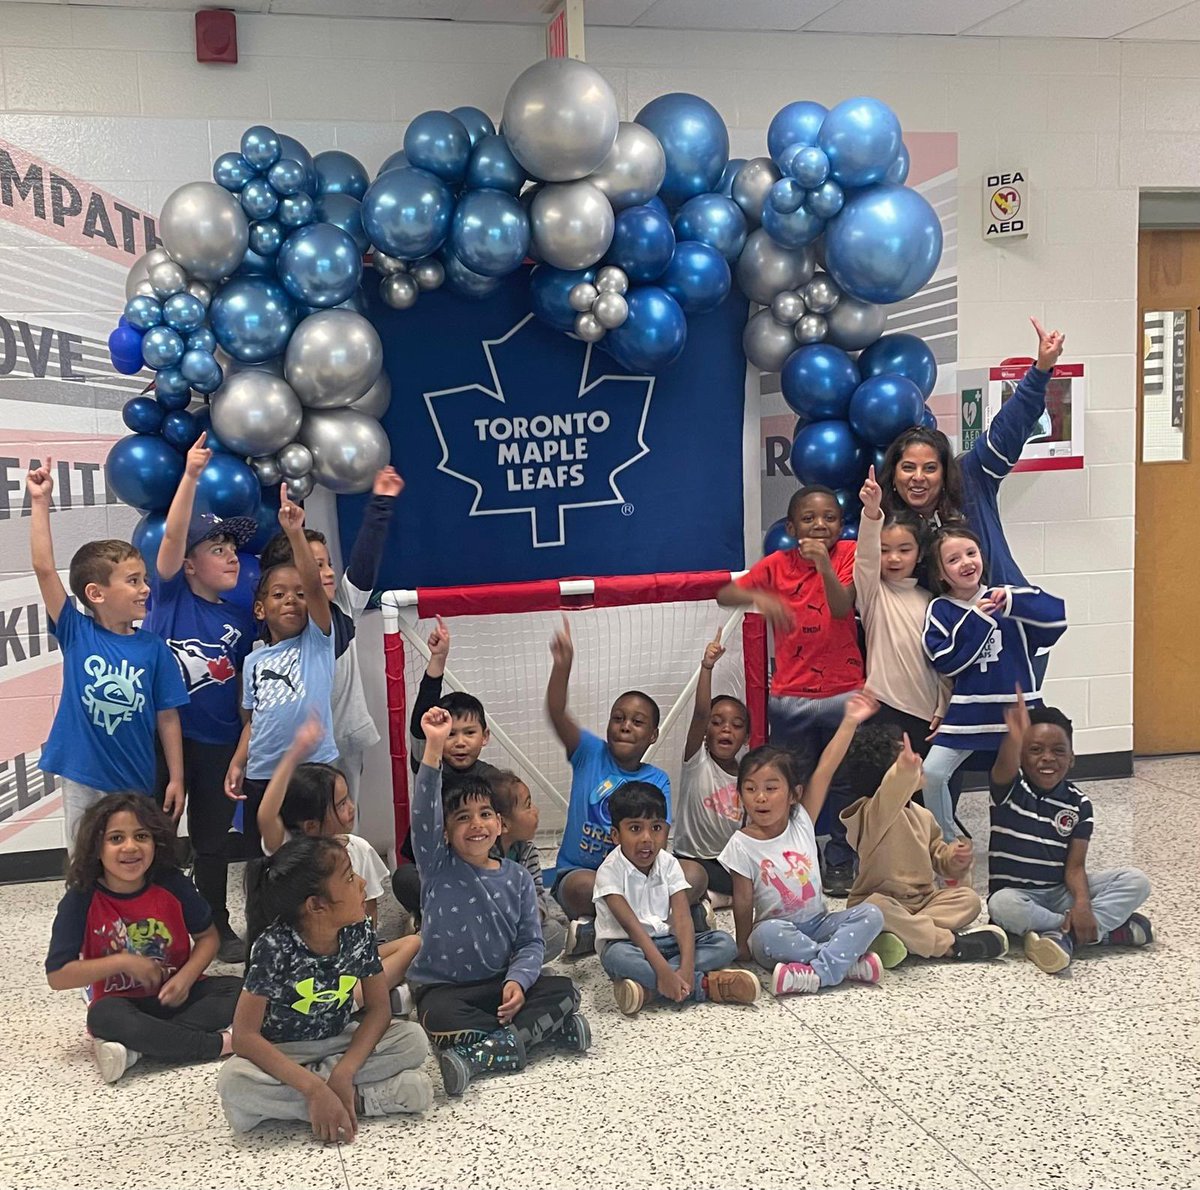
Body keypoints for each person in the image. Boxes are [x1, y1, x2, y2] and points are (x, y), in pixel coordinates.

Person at [407, 708, 589, 1098]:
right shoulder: (436, 866)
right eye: (463, 817)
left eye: (485, 814)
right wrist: (434, 747)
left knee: (565, 990)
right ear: (444, 831)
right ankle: (540, 1033)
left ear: (501, 824)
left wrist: (518, 982)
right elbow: (423, 811)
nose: (476, 824)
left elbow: (530, 944)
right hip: (445, 990)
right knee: (436, 1021)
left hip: (501, 986)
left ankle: (485, 1053)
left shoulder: (518, 878)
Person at [217, 835, 431, 1137]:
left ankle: (300, 1102)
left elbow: (379, 1011)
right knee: (234, 1081)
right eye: (349, 877)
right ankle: (363, 1100)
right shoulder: (274, 947)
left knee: (413, 1039)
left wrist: (344, 1071)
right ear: (316, 905)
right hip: (287, 1052)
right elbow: (245, 1038)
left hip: (339, 1040)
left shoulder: (359, 932)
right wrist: (314, 1088)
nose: (361, 883)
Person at [27, 458, 188, 852]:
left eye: (145, 580)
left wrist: (177, 778)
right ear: (96, 594)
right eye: (133, 581)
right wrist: (39, 503)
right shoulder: (76, 631)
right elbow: (45, 570)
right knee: (85, 861)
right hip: (83, 776)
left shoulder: (153, 649)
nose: (145, 589)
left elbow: (167, 716)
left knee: (132, 860)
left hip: (136, 778)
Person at [716, 485, 863, 896]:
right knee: (792, 782)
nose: (820, 525)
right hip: (791, 696)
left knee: (844, 782)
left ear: (841, 523)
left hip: (843, 691)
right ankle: (795, 857)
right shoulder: (777, 564)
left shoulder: (849, 554)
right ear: (791, 525)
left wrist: (824, 567)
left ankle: (839, 858)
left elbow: (840, 607)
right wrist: (760, 597)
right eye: (809, 518)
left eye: (830, 517)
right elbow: (724, 594)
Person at [144, 433, 257, 962]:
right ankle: (157, 921)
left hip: (217, 743)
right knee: (156, 833)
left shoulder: (239, 616)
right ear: (190, 565)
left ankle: (214, 920)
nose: (230, 556)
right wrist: (189, 476)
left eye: (233, 548)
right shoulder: (168, 597)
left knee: (212, 841)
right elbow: (169, 543)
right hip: (164, 739)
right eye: (217, 549)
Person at [45, 794, 241, 1083]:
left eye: (141, 836)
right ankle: (220, 1044)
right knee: (103, 1017)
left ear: (155, 842)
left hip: (175, 996)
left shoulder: (172, 883)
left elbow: (208, 937)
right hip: (121, 1003)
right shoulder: (81, 897)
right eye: (115, 838)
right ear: (96, 847)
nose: (130, 847)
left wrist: (186, 978)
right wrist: (123, 962)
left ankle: (139, 1049)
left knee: (241, 990)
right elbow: (58, 976)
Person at [545, 616, 709, 958]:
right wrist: (562, 667)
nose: (625, 727)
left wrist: (659, 879)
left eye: (637, 722)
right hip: (585, 872)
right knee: (578, 889)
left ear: (652, 736)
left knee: (695, 875)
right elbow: (558, 712)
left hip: (643, 877)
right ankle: (671, 922)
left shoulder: (657, 779)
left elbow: (659, 840)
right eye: (618, 718)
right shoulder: (589, 753)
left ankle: (604, 930)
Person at [879, 318, 1066, 593]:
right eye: (908, 467)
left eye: (930, 468)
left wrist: (1040, 370)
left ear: (945, 472)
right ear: (894, 474)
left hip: (1007, 621)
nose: (918, 478)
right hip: (949, 632)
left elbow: (1008, 427)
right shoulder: (890, 524)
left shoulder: (971, 479)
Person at [719, 693, 885, 997]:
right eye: (751, 789)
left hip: (820, 922)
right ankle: (843, 963)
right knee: (767, 936)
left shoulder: (802, 820)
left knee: (872, 914)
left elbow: (825, 769)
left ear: (794, 794)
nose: (760, 797)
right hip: (777, 930)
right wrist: (743, 945)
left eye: (771, 788)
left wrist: (849, 721)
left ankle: (819, 972)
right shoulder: (741, 844)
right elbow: (742, 902)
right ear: (740, 795)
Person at [257, 466, 403, 804]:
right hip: (300, 748)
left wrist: (380, 501)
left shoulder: (344, 606)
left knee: (346, 822)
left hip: (345, 741)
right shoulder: (277, 636)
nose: (325, 573)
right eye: (314, 565)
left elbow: (366, 558)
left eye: (326, 564)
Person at [258, 717, 420, 1010]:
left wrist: (362, 953)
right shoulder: (291, 853)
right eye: (341, 804)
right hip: (303, 962)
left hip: (349, 954)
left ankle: (359, 1000)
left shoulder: (359, 848)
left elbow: (369, 912)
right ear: (310, 825)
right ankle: (362, 1001)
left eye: (348, 800)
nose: (351, 808)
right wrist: (294, 753)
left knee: (413, 944)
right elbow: (266, 816)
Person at [986, 690, 1152, 974]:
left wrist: (1083, 904)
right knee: (1002, 905)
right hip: (1019, 896)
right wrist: (1013, 737)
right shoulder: (1010, 790)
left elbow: (1075, 867)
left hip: (1059, 891)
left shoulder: (1080, 804)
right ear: (1021, 758)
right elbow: (1004, 765)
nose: (1047, 758)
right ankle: (1094, 932)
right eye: (1035, 750)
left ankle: (1064, 934)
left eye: (1058, 751)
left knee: (1136, 881)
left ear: (1072, 758)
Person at [922, 528, 1067, 842]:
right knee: (932, 773)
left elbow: (1057, 621)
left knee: (1026, 776)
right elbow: (946, 660)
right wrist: (976, 619)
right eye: (953, 559)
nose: (965, 563)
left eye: (971, 553)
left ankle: (1029, 842)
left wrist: (1014, 599)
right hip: (966, 717)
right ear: (941, 572)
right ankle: (946, 846)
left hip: (1018, 711)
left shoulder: (1008, 598)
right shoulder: (940, 609)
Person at [224, 483, 338, 858]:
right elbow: (253, 721)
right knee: (270, 857)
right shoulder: (253, 661)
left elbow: (315, 588)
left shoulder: (317, 642)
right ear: (260, 610)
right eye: (278, 594)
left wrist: (294, 533)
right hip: (262, 772)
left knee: (318, 858)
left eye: (299, 594)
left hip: (313, 770)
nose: (291, 599)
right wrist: (238, 762)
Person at [840, 728, 1008, 968]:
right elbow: (889, 793)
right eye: (905, 761)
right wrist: (902, 772)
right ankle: (948, 945)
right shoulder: (871, 815)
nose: (917, 760)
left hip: (923, 902)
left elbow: (939, 856)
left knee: (969, 900)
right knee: (875, 908)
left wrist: (954, 859)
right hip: (880, 902)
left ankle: (903, 935)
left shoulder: (923, 815)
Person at [594, 782, 758, 1015]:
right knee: (618, 958)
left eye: (656, 828)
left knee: (725, 944)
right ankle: (706, 986)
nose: (647, 838)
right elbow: (632, 928)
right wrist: (664, 972)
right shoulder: (609, 871)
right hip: (630, 945)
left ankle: (650, 991)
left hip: (669, 943)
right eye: (634, 829)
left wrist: (686, 967)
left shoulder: (669, 863)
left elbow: (682, 919)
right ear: (615, 835)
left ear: (667, 830)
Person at [391, 617, 499, 924]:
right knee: (403, 877)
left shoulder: (492, 778)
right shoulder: (429, 765)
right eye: (451, 734)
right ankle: (432, 912)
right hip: (433, 870)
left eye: (469, 733)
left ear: (485, 736)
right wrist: (437, 661)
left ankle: (454, 910)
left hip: (478, 866)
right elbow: (419, 722)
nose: (460, 743)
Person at [854, 465, 948, 763]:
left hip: (928, 715)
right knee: (888, 796)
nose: (893, 558)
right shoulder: (873, 594)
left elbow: (947, 660)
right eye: (885, 550)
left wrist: (944, 707)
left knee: (924, 796)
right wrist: (871, 513)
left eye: (904, 550)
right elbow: (865, 559)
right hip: (884, 709)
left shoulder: (934, 602)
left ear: (920, 554)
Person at [672, 630, 750, 909]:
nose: (726, 728)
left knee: (757, 881)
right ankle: (713, 898)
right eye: (717, 722)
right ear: (706, 731)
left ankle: (716, 899)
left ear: (747, 738)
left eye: (737, 725)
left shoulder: (747, 777)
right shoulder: (697, 761)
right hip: (690, 857)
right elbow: (701, 713)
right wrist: (707, 667)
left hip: (725, 862)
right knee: (690, 878)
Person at [486, 770, 568, 962]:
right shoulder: (482, 857)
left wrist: (534, 917)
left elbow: (537, 894)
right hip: (485, 933)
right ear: (503, 824)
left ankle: (508, 969)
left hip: (518, 930)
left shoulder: (527, 852)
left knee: (555, 934)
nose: (536, 811)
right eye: (528, 805)